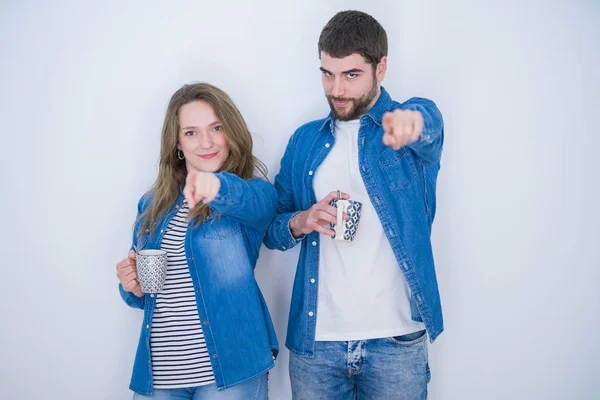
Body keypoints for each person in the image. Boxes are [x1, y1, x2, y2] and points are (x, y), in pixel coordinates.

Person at [264, 10, 444, 399]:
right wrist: (301, 220)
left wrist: (409, 124)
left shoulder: (406, 129)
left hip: (396, 343)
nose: (337, 89)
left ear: (381, 68)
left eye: (350, 75)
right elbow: (272, 228)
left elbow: (429, 124)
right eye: (327, 74)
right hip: (317, 347)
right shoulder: (305, 141)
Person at [116, 82, 278, 399]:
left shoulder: (250, 194)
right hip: (161, 374)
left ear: (231, 132)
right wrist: (132, 287)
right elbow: (146, 297)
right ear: (177, 143)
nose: (206, 142)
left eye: (216, 128)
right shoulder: (151, 205)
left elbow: (254, 203)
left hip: (230, 372)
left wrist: (213, 185)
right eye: (191, 132)